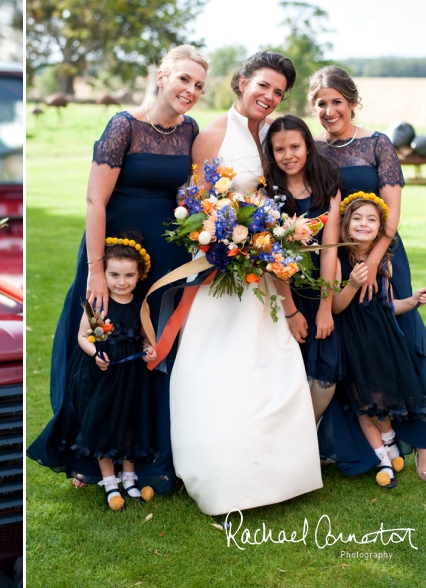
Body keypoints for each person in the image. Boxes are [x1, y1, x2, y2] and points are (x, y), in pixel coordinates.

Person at [27, 45, 209, 493]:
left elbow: (190, 195)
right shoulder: (123, 125)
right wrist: (94, 269)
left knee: (151, 351)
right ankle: (89, 455)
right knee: (100, 350)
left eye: (200, 85)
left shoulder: (190, 131)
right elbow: (95, 200)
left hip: (164, 259)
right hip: (111, 259)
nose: (191, 90)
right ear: (163, 76)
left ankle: (147, 456)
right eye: (184, 79)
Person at [169, 51, 323, 516]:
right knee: (220, 368)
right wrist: (228, 240)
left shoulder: (273, 136)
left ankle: (279, 475)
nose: (270, 97)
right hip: (222, 270)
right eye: (263, 86)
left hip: (262, 271)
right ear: (241, 82)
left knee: (269, 363)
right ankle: (224, 477)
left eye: (278, 92)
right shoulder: (214, 134)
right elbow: (196, 205)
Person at [310, 66, 426, 483]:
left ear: (352, 102)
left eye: (337, 101)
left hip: (384, 256)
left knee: (407, 341)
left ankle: (425, 448)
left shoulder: (378, 144)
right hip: (336, 257)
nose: (330, 110)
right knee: (350, 349)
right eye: (321, 103)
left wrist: (373, 263)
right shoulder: (313, 149)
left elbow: (393, 217)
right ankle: (359, 445)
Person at [47, 238, 159, 510]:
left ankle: (129, 478)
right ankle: (110, 483)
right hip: (104, 377)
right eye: (115, 275)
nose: (122, 281)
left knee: (130, 424)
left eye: (129, 275)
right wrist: (96, 354)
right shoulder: (97, 304)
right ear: (104, 274)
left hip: (132, 377)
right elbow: (83, 336)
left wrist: (148, 349)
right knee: (103, 424)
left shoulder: (141, 304)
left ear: (139, 275)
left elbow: (145, 338)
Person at [332, 195, 426, 488]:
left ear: (380, 230)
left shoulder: (383, 263)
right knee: (361, 404)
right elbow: (337, 307)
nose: (364, 224)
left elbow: (389, 305)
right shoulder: (338, 259)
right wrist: (352, 283)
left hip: (380, 341)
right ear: (347, 223)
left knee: (379, 402)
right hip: (352, 341)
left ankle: (389, 446)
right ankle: (385, 459)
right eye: (358, 218)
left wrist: (413, 301)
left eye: (371, 220)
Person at [262, 115, 343, 421]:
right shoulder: (269, 194)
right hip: (284, 292)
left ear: (308, 145)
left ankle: (305, 434)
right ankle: (294, 439)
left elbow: (329, 250)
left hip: (318, 289)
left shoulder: (328, 184)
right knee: (288, 371)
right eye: (279, 149)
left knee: (327, 376)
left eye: (294, 146)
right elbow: (273, 258)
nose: (288, 155)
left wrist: (325, 307)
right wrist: (291, 312)